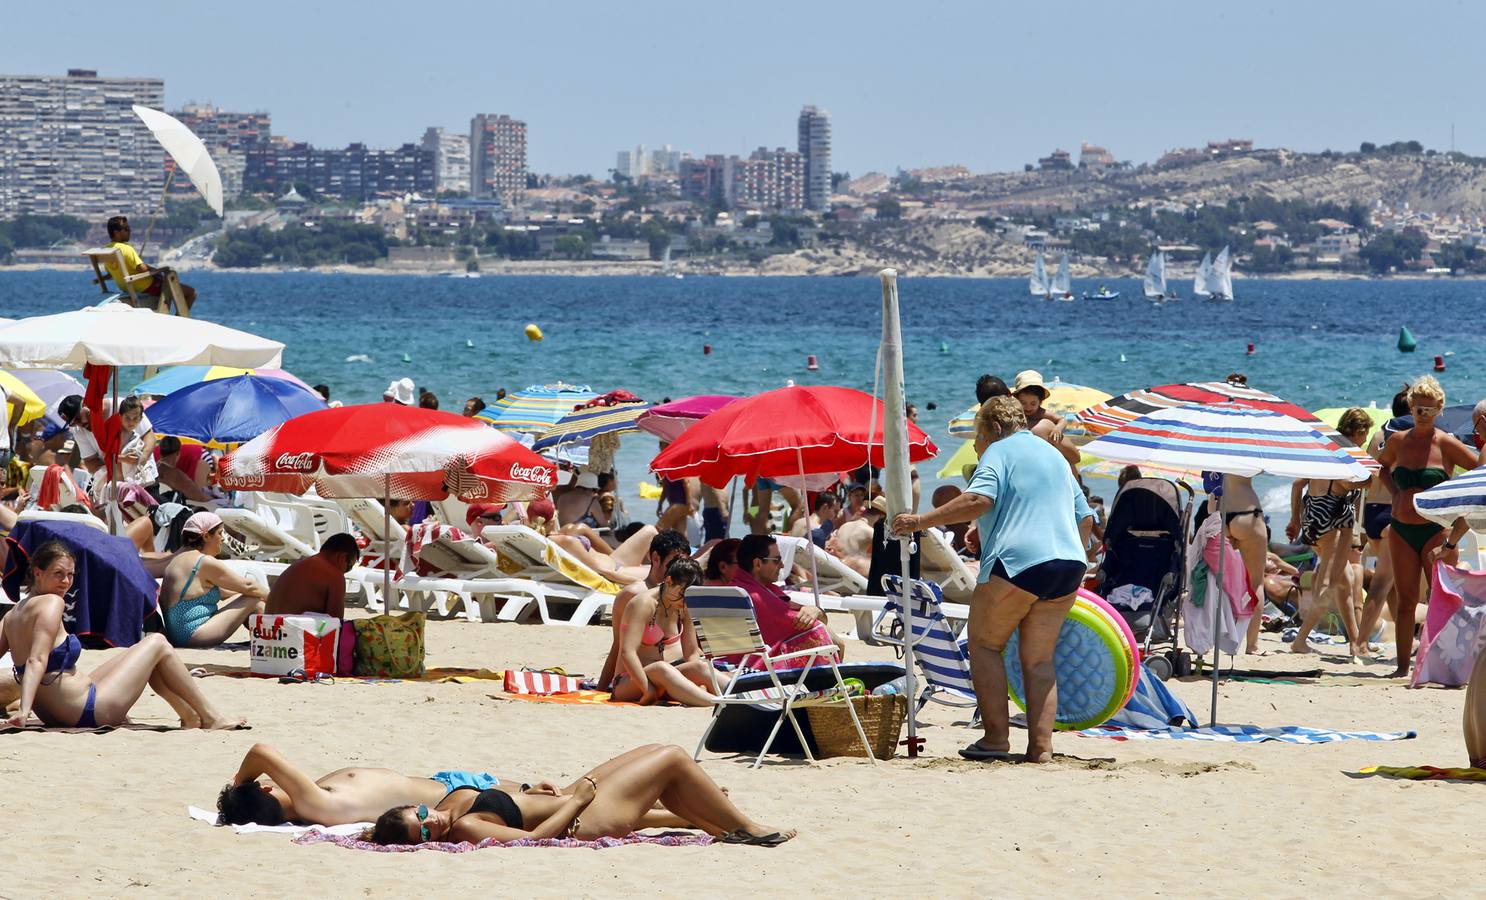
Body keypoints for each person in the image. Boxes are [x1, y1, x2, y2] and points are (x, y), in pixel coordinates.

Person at [892, 396, 1090, 763]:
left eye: (977, 437)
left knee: (984, 645)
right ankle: (1041, 748)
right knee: (1039, 661)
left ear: (995, 429)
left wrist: (919, 521)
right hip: (1069, 565)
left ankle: (996, 739)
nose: (975, 445)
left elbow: (978, 500)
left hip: (1018, 563)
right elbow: (1086, 517)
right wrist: (1069, 551)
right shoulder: (1055, 455)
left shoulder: (999, 451)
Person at [1, 541, 244, 729]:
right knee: (157, 642)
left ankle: (189, 715)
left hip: (62, 709)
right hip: (86, 711)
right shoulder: (51, 603)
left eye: (71, 575)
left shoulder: (11, 616)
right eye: (58, 574)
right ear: (37, 573)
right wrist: (23, 711)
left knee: (144, 654)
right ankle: (211, 717)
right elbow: (37, 660)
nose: (66, 582)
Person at [368, 744, 794, 846]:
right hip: (581, 819)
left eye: (421, 814)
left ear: (415, 805)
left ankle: (714, 825)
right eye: (423, 834)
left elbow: (509, 802)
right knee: (673, 759)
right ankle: (746, 827)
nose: (432, 822)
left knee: (654, 753)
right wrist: (574, 803)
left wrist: (530, 789)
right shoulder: (463, 829)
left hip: (573, 797)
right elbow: (535, 841)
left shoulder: (447, 805)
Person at [219, 742, 686, 828]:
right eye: (259, 785)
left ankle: (675, 814)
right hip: (455, 796)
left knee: (559, 798)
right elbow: (260, 751)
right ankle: (675, 806)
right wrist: (237, 783)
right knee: (569, 803)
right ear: (262, 791)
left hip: (447, 785)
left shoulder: (309, 800)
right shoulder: (310, 801)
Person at [1376, 376, 1479, 678]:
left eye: (1430, 411)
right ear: (1410, 407)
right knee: (1406, 600)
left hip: (1437, 531)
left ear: (1440, 410)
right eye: (1419, 409)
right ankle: (1402, 667)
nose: (1424, 415)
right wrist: (1396, 493)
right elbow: (1382, 466)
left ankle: (1447, 665)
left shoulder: (1446, 443)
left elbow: (1478, 471)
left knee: (1442, 597)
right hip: (1402, 528)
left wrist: (1458, 501)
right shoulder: (1398, 440)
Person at [1286, 408, 1373, 658]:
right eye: (1363, 436)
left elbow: (1297, 483)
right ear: (1356, 432)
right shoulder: (1345, 456)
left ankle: (1355, 643)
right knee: (1329, 583)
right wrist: (1370, 478)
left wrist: (1295, 519)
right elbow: (1346, 484)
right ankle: (1300, 640)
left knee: (1345, 583)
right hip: (1333, 524)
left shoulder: (1324, 450)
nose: (1364, 441)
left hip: (1314, 522)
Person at [609, 557, 716, 707]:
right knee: (661, 668)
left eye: (688, 597)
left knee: (701, 667)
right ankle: (718, 704)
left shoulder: (684, 605)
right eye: (681, 594)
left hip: (666, 676)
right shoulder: (643, 604)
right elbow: (628, 652)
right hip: (629, 681)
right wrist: (647, 689)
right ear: (668, 581)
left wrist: (698, 682)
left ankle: (740, 697)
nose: (684, 601)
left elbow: (691, 653)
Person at [156, 512, 268, 647]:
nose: (223, 539)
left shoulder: (178, 560)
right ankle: (269, 644)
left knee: (251, 597)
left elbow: (224, 592)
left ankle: (263, 643)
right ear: (206, 536)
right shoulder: (203, 562)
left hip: (179, 635)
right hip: (193, 635)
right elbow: (250, 586)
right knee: (253, 599)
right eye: (220, 533)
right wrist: (277, 599)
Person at [597, 530, 690, 690]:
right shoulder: (632, 595)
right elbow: (619, 647)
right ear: (655, 558)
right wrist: (601, 689)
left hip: (679, 668)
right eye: (674, 562)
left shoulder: (681, 593)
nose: (679, 569)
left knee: (706, 670)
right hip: (646, 676)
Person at [731, 533, 844, 656]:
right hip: (758, 665)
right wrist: (818, 613)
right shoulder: (757, 598)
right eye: (777, 560)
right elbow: (809, 623)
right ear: (757, 564)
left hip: (732, 661)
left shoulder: (735, 589)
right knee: (832, 642)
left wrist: (817, 611)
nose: (782, 565)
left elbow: (799, 612)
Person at [100, 215, 196, 310]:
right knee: (191, 293)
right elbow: (143, 269)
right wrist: (158, 270)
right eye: (126, 229)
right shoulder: (126, 248)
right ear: (116, 232)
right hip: (147, 288)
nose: (129, 231)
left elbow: (111, 274)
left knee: (166, 283)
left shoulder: (107, 250)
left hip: (128, 288)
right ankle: (178, 319)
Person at [264, 532, 360, 619]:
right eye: (349, 566)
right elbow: (336, 622)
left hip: (267, 632)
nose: (346, 571)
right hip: (293, 635)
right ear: (342, 557)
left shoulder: (301, 564)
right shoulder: (334, 575)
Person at [1012, 370, 1080, 467]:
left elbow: (1062, 420)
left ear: (1040, 401)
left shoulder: (1041, 413)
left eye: (1033, 403)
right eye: (1023, 403)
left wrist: (1058, 428)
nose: (1028, 407)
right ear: (1017, 400)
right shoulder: (1016, 413)